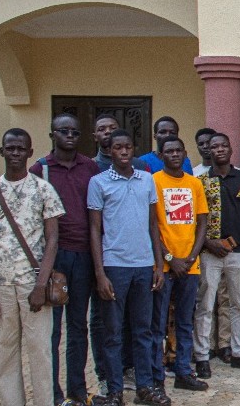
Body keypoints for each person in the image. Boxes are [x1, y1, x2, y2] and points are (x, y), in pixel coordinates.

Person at [0, 128, 63, 406]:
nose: (15, 153)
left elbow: (53, 239)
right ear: (2, 151)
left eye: (20, 148)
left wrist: (40, 285)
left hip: (33, 284)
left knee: (40, 352)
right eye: (10, 148)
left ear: (29, 152)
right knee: (4, 353)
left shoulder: (43, 189)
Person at [87, 129, 170, 406]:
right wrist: (100, 273)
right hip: (114, 266)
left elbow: (153, 224)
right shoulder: (98, 183)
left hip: (144, 265)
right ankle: (114, 390)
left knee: (143, 331)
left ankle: (144, 387)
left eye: (128, 147)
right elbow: (95, 229)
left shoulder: (146, 179)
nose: (123, 151)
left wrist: (159, 265)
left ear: (134, 149)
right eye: (117, 147)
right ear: (109, 150)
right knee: (112, 333)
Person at [29, 115, 101, 406]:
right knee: (52, 329)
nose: (70, 135)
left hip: (84, 255)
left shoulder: (90, 167)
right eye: (63, 131)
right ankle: (53, 393)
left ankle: (77, 390)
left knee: (78, 327)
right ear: (52, 135)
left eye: (75, 131)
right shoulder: (40, 169)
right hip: (54, 257)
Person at [193, 133, 240, 378]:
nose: (219, 149)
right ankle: (202, 356)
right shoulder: (200, 182)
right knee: (205, 304)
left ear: (231, 149)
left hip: (238, 252)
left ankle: (239, 353)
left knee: (238, 305)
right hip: (209, 253)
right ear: (208, 151)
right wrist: (208, 243)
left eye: (224, 145)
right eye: (214, 146)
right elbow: (195, 220)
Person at [149, 136, 209, 393]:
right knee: (158, 324)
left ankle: (183, 372)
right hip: (163, 267)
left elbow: (202, 222)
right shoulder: (153, 181)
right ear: (161, 155)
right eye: (169, 151)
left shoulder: (194, 183)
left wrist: (191, 257)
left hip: (190, 265)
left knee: (185, 322)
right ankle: (156, 378)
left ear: (185, 154)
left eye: (178, 151)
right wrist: (169, 259)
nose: (174, 154)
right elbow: (152, 225)